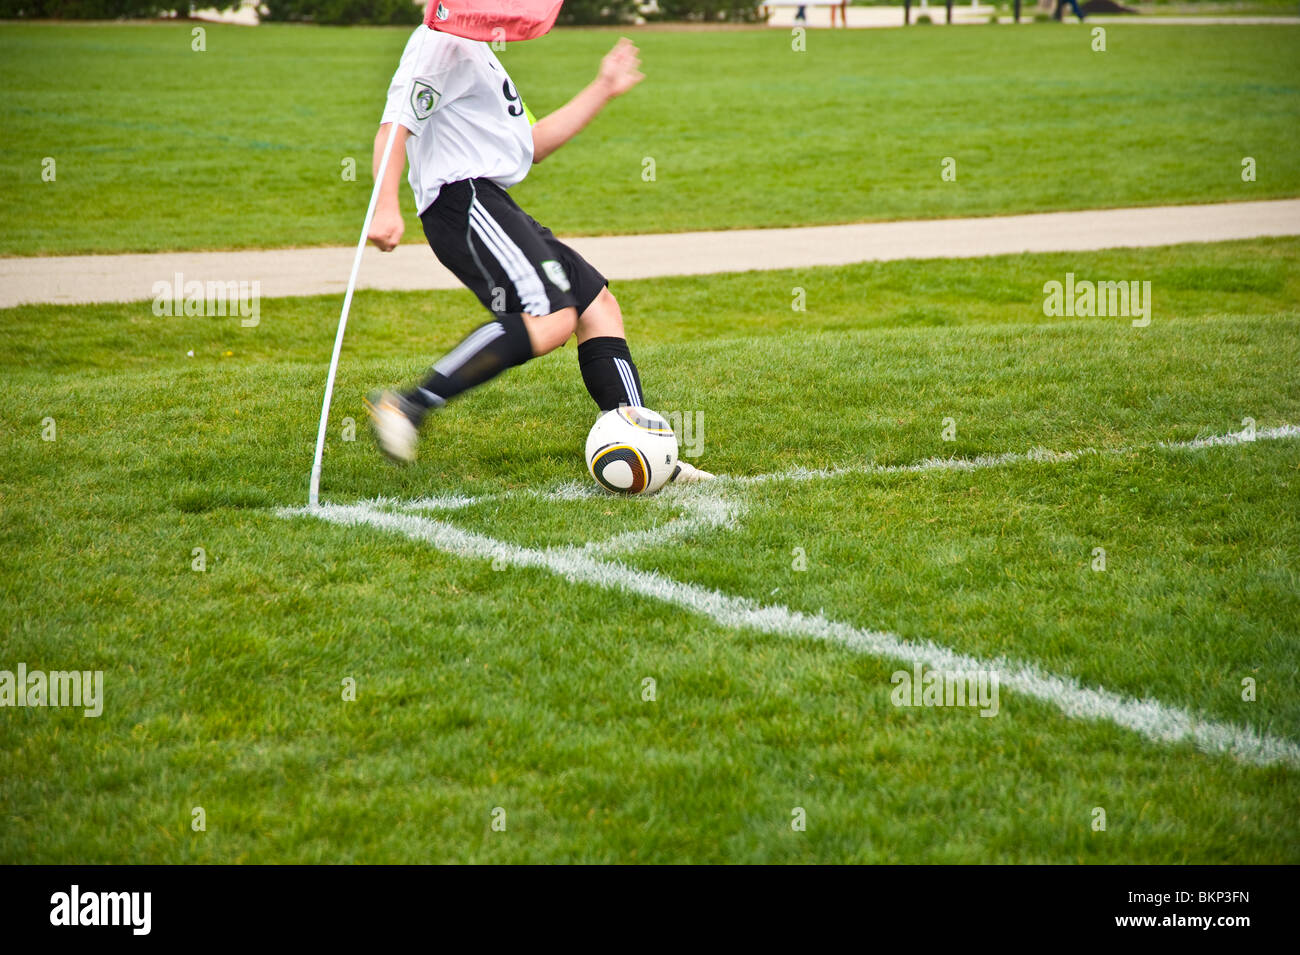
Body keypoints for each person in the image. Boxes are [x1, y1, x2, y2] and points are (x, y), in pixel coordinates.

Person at [364, 25, 713, 484]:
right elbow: (394, 126)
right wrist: (384, 202)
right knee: (551, 317)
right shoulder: (439, 40)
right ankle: (408, 405)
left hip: (492, 201)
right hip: (463, 201)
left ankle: (641, 445)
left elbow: (534, 143)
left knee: (597, 307)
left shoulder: (478, 50)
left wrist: (603, 87)